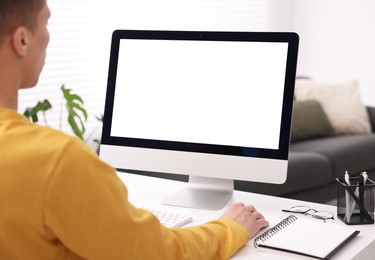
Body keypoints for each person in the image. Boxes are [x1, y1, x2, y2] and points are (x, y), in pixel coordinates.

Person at [0, 0, 269, 259]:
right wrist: (232, 227)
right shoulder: (55, 161)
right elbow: (160, 253)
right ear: (22, 40)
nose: (48, 37)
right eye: (46, 22)